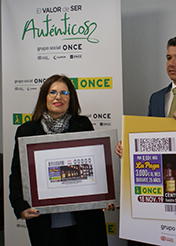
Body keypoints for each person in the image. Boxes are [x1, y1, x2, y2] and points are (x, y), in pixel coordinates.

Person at [9, 75, 108, 246]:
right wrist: (20, 206)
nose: (58, 97)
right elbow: (17, 173)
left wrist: (104, 195)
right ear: (44, 97)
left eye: (64, 92)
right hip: (45, 221)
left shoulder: (83, 125)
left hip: (84, 220)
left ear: (71, 97)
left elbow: (96, 166)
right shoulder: (26, 131)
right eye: (52, 92)